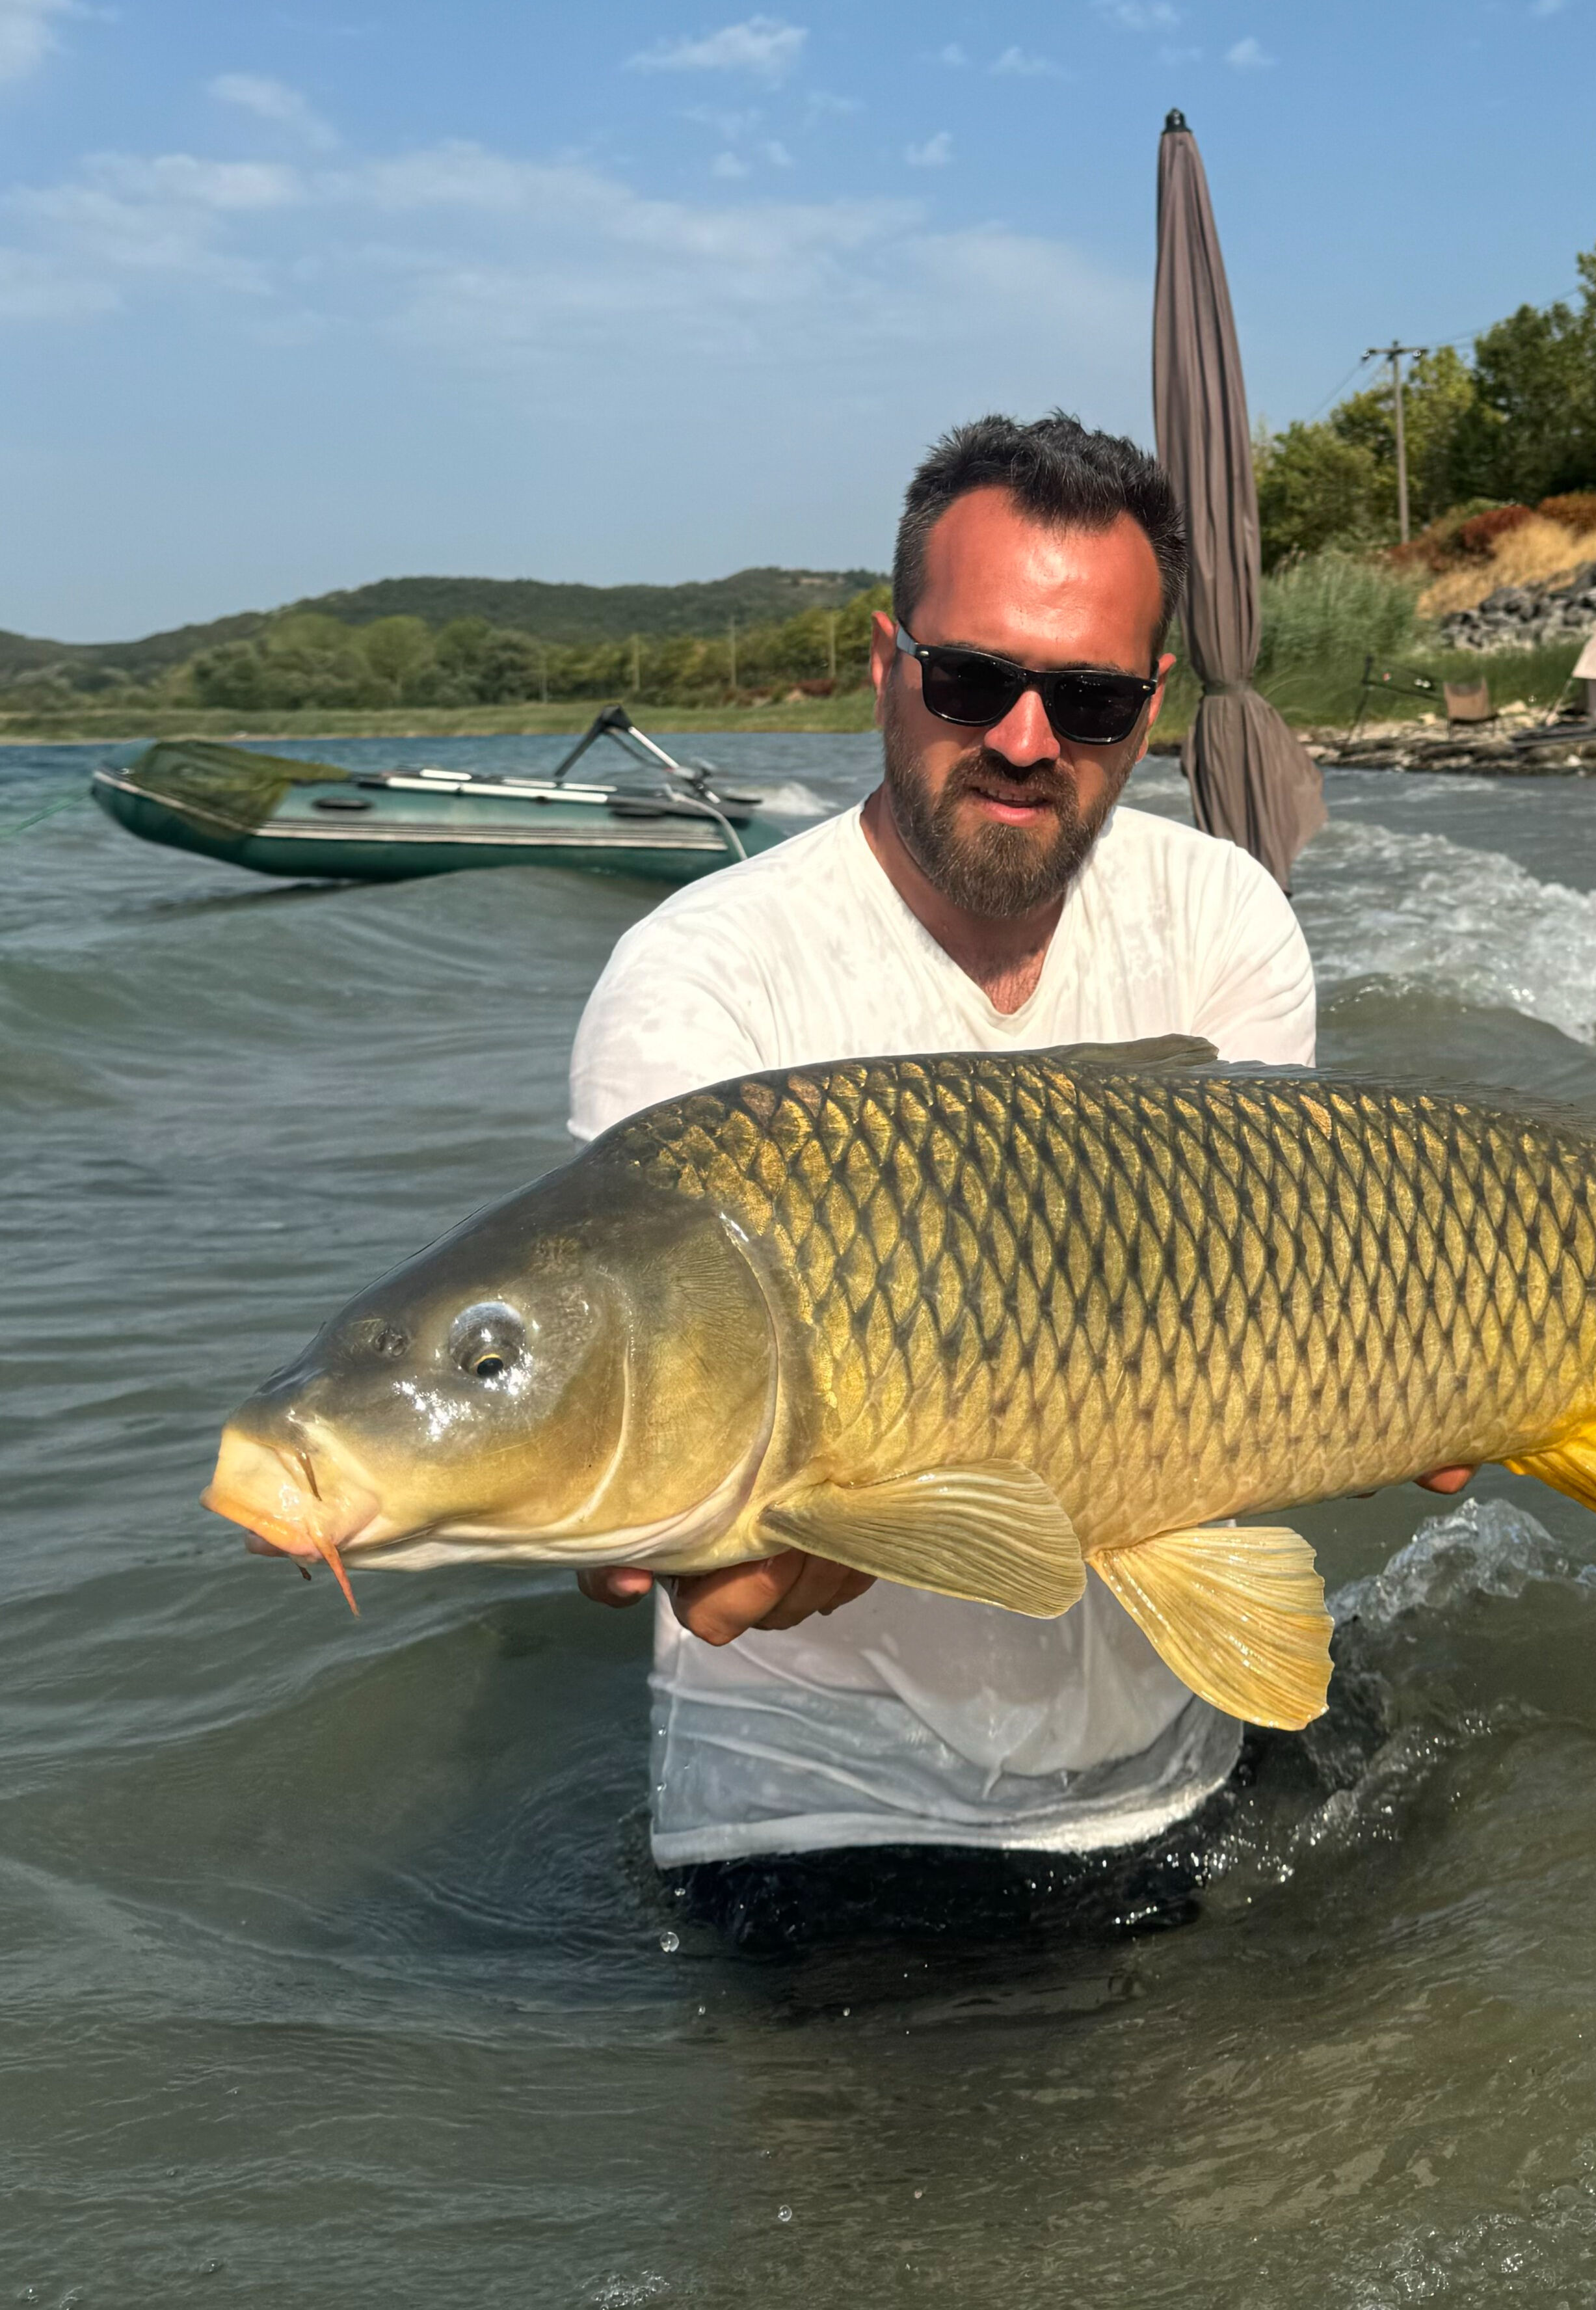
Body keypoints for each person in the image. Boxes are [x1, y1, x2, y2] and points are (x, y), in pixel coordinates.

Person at [567, 412, 1468, 1949]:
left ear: (1152, 706)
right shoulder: (697, 983)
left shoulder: (1225, 918)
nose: (1028, 738)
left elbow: (1267, 1328)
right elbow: (657, 1429)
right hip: (829, 1810)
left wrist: (1409, 1383)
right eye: (972, 678)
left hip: (1183, 1758)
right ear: (884, 660)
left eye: (1094, 698)